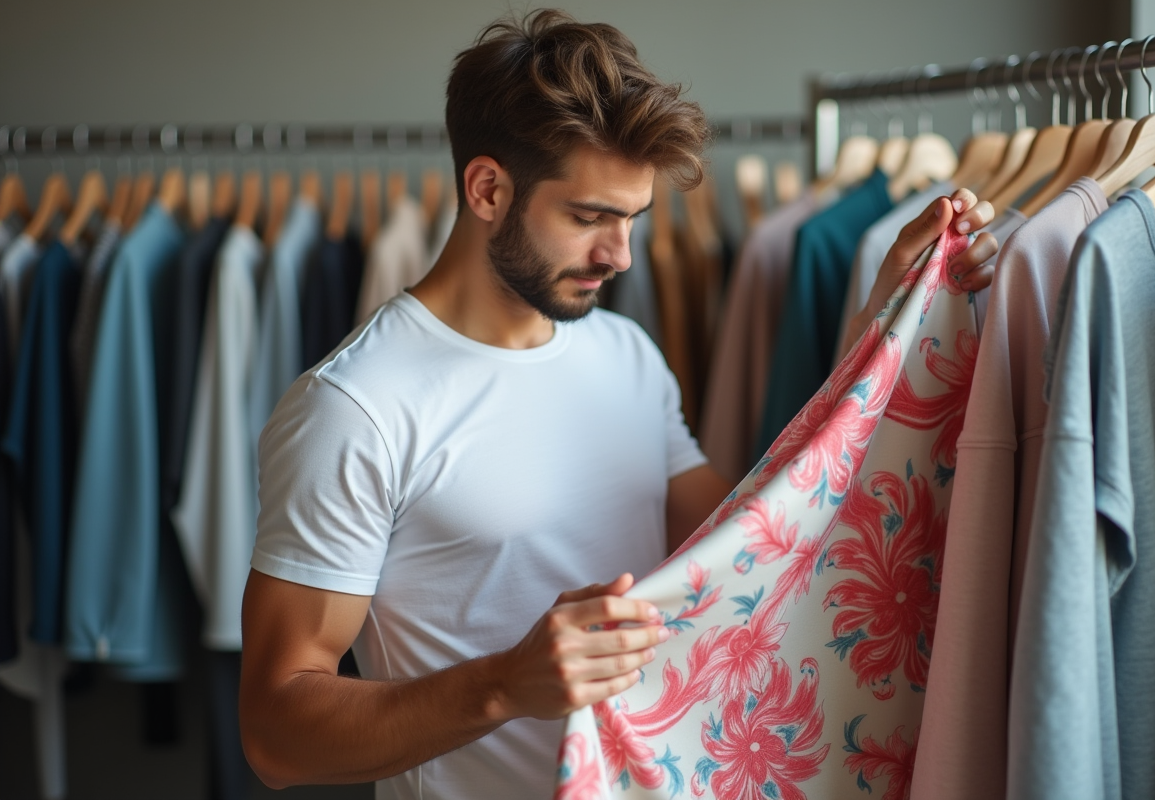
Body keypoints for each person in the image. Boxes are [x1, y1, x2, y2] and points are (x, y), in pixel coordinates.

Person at [239, 9, 999, 799]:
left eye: (632, 219)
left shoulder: (625, 354)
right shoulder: (354, 407)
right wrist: (503, 685)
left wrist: (880, 324)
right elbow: (274, 733)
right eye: (588, 218)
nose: (620, 255)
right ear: (488, 189)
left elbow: (750, 551)